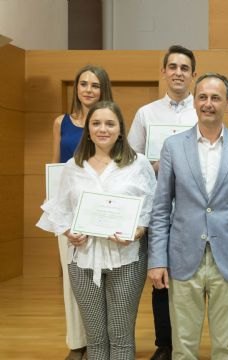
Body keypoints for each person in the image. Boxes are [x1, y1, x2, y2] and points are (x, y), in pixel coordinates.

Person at [147, 73, 228, 360]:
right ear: (194, 102)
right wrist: (158, 260)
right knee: (183, 347)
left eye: (215, 98)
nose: (208, 103)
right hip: (184, 257)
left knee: (225, 348)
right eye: (202, 97)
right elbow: (161, 208)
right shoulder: (173, 147)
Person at [38, 101, 156, 359]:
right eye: (96, 123)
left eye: (110, 123)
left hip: (127, 259)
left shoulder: (139, 164)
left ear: (121, 130)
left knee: (121, 336)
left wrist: (136, 232)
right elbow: (58, 209)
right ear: (88, 130)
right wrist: (69, 231)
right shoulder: (73, 167)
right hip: (83, 260)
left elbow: (151, 207)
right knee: (95, 339)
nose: (103, 129)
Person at [127, 44, 198, 360]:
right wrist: (153, 164)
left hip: (194, 208)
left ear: (193, 75)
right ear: (164, 72)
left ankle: (189, 343)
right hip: (159, 207)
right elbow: (129, 160)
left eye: (185, 68)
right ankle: (165, 345)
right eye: (173, 67)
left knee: (195, 279)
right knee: (161, 277)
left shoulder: (204, 109)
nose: (179, 73)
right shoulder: (147, 113)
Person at [50, 64, 113, 360]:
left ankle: (101, 341)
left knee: (100, 280)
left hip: (98, 210)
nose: (88, 89)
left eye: (95, 85)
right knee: (72, 280)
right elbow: (55, 168)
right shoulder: (60, 122)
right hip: (68, 212)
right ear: (76, 88)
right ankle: (78, 343)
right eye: (83, 84)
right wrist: (55, 214)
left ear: (104, 90)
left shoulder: (108, 121)